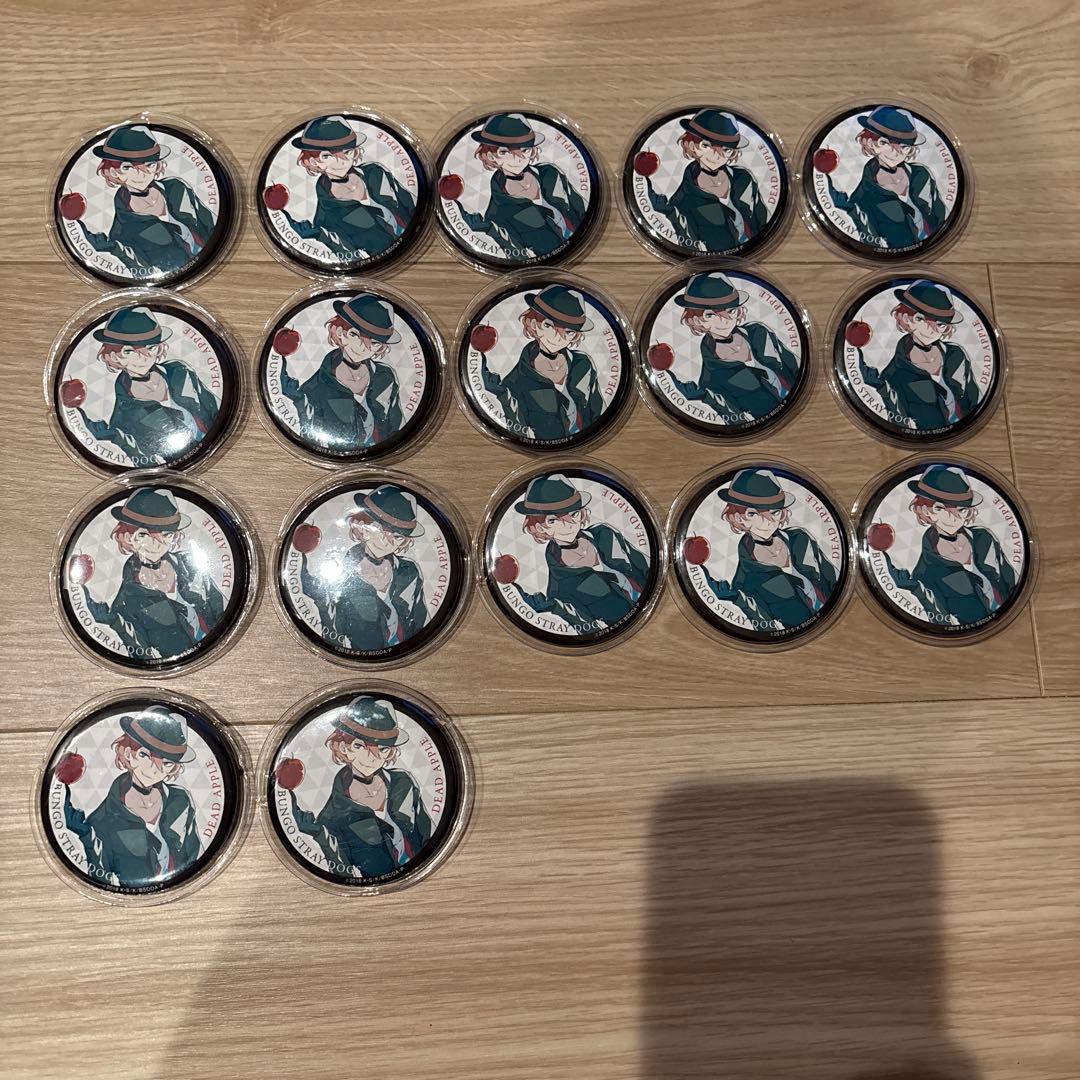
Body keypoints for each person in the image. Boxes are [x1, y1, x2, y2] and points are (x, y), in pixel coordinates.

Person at [285, 696, 432, 878]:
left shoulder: (404, 782)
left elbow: (429, 834)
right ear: (343, 747)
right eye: (360, 746)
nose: (372, 757)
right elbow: (344, 874)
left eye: (383, 749)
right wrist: (321, 836)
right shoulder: (332, 817)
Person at [79, 488, 226, 659]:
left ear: (175, 536)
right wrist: (116, 623)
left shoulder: (190, 565)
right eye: (143, 535)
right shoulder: (126, 602)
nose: (156, 544)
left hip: (223, 648)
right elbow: (145, 658)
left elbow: (223, 609)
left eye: (167, 534)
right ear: (127, 537)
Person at [60, 707, 201, 884]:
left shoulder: (181, 800)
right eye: (144, 755)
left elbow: (197, 857)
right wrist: (88, 838)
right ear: (127, 753)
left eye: (167, 763)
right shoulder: (102, 820)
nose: (155, 769)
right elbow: (101, 879)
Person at [70, 306, 219, 465]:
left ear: (159, 347)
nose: (143, 358)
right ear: (113, 356)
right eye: (129, 351)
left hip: (216, 443)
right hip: (187, 463)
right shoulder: (125, 415)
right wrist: (117, 438)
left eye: (151, 347)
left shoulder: (180, 371)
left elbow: (216, 408)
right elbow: (148, 465)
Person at [508, 474, 650, 631]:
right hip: (633, 630)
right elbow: (590, 631)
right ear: (539, 527)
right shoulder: (561, 589)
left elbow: (647, 564)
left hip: (655, 601)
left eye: (574, 514)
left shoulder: (605, 534)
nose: (568, 525)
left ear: (582, 512)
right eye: (553, 520)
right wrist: (558, 609)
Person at [698, 469, 837, 630]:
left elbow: (834, 578)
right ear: (737, 517)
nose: (767, 521)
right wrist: (739, 600)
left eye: (775, 512)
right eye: (752, 514)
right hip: (804, 635)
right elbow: (767, 629)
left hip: (836, 617)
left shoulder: (801, 538)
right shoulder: (745, 580)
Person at [879, 466, 1017, 625]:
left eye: (962, 509)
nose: (954, 517)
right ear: (925, 510)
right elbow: (942, 623)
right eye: (940, 508)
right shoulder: (925, 572)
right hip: (973, 633)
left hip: (1012, 618)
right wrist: (918, 590)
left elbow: (1013, 582)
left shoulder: (984, 538)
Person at [298, 484, 428, 651]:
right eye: (388, 533)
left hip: (408, 653)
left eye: (400, 537)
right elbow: (333, 637)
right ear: (364, 526)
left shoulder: (409, 571)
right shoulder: (340, 579)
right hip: (356, 658)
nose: (393, 542)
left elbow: (421, 621)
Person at [75, 124, 217, 275]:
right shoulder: (122, 229)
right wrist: (116, 249)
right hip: (182, 276)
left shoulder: (177, 188)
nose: (143, 174)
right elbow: (144, 273)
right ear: (113, 172)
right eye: (127, 167)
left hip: (214, 258)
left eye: (150, 164)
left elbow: (213, 223)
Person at [274, 115, 416, 260]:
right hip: (389, 260)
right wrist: (320, 235)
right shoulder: (327, 217)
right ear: (313, 161)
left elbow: (413, 203)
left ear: (355, 151)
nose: (342, 161)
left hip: (416, 238)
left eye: (348, 152)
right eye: (327, 156)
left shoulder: (376, 172)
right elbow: (352, 259)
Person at [449, 113, 587, 257]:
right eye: (504, 152)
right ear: (490, 156)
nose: (518, 158)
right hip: (552, 262)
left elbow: (583, 210)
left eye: (525, 150)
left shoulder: (550, 173)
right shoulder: (497, 213)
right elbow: (519, 257)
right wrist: (492, 230)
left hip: (581, 242)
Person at [279, 294, 404, 451]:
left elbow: (398, 429)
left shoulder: (385, 376)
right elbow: (313, 441)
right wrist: (300, 402)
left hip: (383, 455)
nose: (363, 347)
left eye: (375, 342)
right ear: (339, 332)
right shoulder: (314, 389)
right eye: (354, 335)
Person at [668, 273, 800, 423]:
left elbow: (796, 365)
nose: (725, 320)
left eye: (731, 310)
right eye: (710, 315)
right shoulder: (711, 379)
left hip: (801, 400)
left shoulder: (759, 332)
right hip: (774, 423)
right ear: (696, 320)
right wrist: (707, 397)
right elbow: (737, 422)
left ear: (739, 310)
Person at [851, 281, 980, 431]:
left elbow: (976, 400)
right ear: (906, 318)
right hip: (927, 441)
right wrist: (883, 389)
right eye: (920, 319)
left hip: (969, 430)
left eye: (941, 324)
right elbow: (902, 426)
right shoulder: (894, 375)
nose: (931, 330)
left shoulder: (957, 354)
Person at [479, 285, 603, 440]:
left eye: (569, 332)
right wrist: (504, 395)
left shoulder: (584, 364)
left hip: (589, 442)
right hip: (546, 450)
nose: (558, 338)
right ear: (533, 324)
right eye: (548, 325)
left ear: (575, 335)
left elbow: (600, 413)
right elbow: (520, 434)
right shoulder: (515, 381)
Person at [818, 106, 946, 250]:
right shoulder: (863, 197)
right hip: (897, 258)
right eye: (884, 143)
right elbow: (871, 244)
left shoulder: (922, 174)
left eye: (905, 147)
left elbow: (942, 217)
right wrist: (852, 211)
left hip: (937, 247)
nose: (896, 153)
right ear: (870, 143)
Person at [641, 108, 768, 252]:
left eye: (726, 149)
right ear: (691, 146)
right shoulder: (683, 200)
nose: (717, 155)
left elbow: (764, 221)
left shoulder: (744, 178)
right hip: (717, 260)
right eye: (706, 145)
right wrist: (671, 214)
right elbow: (691, 247)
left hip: (757, 250)